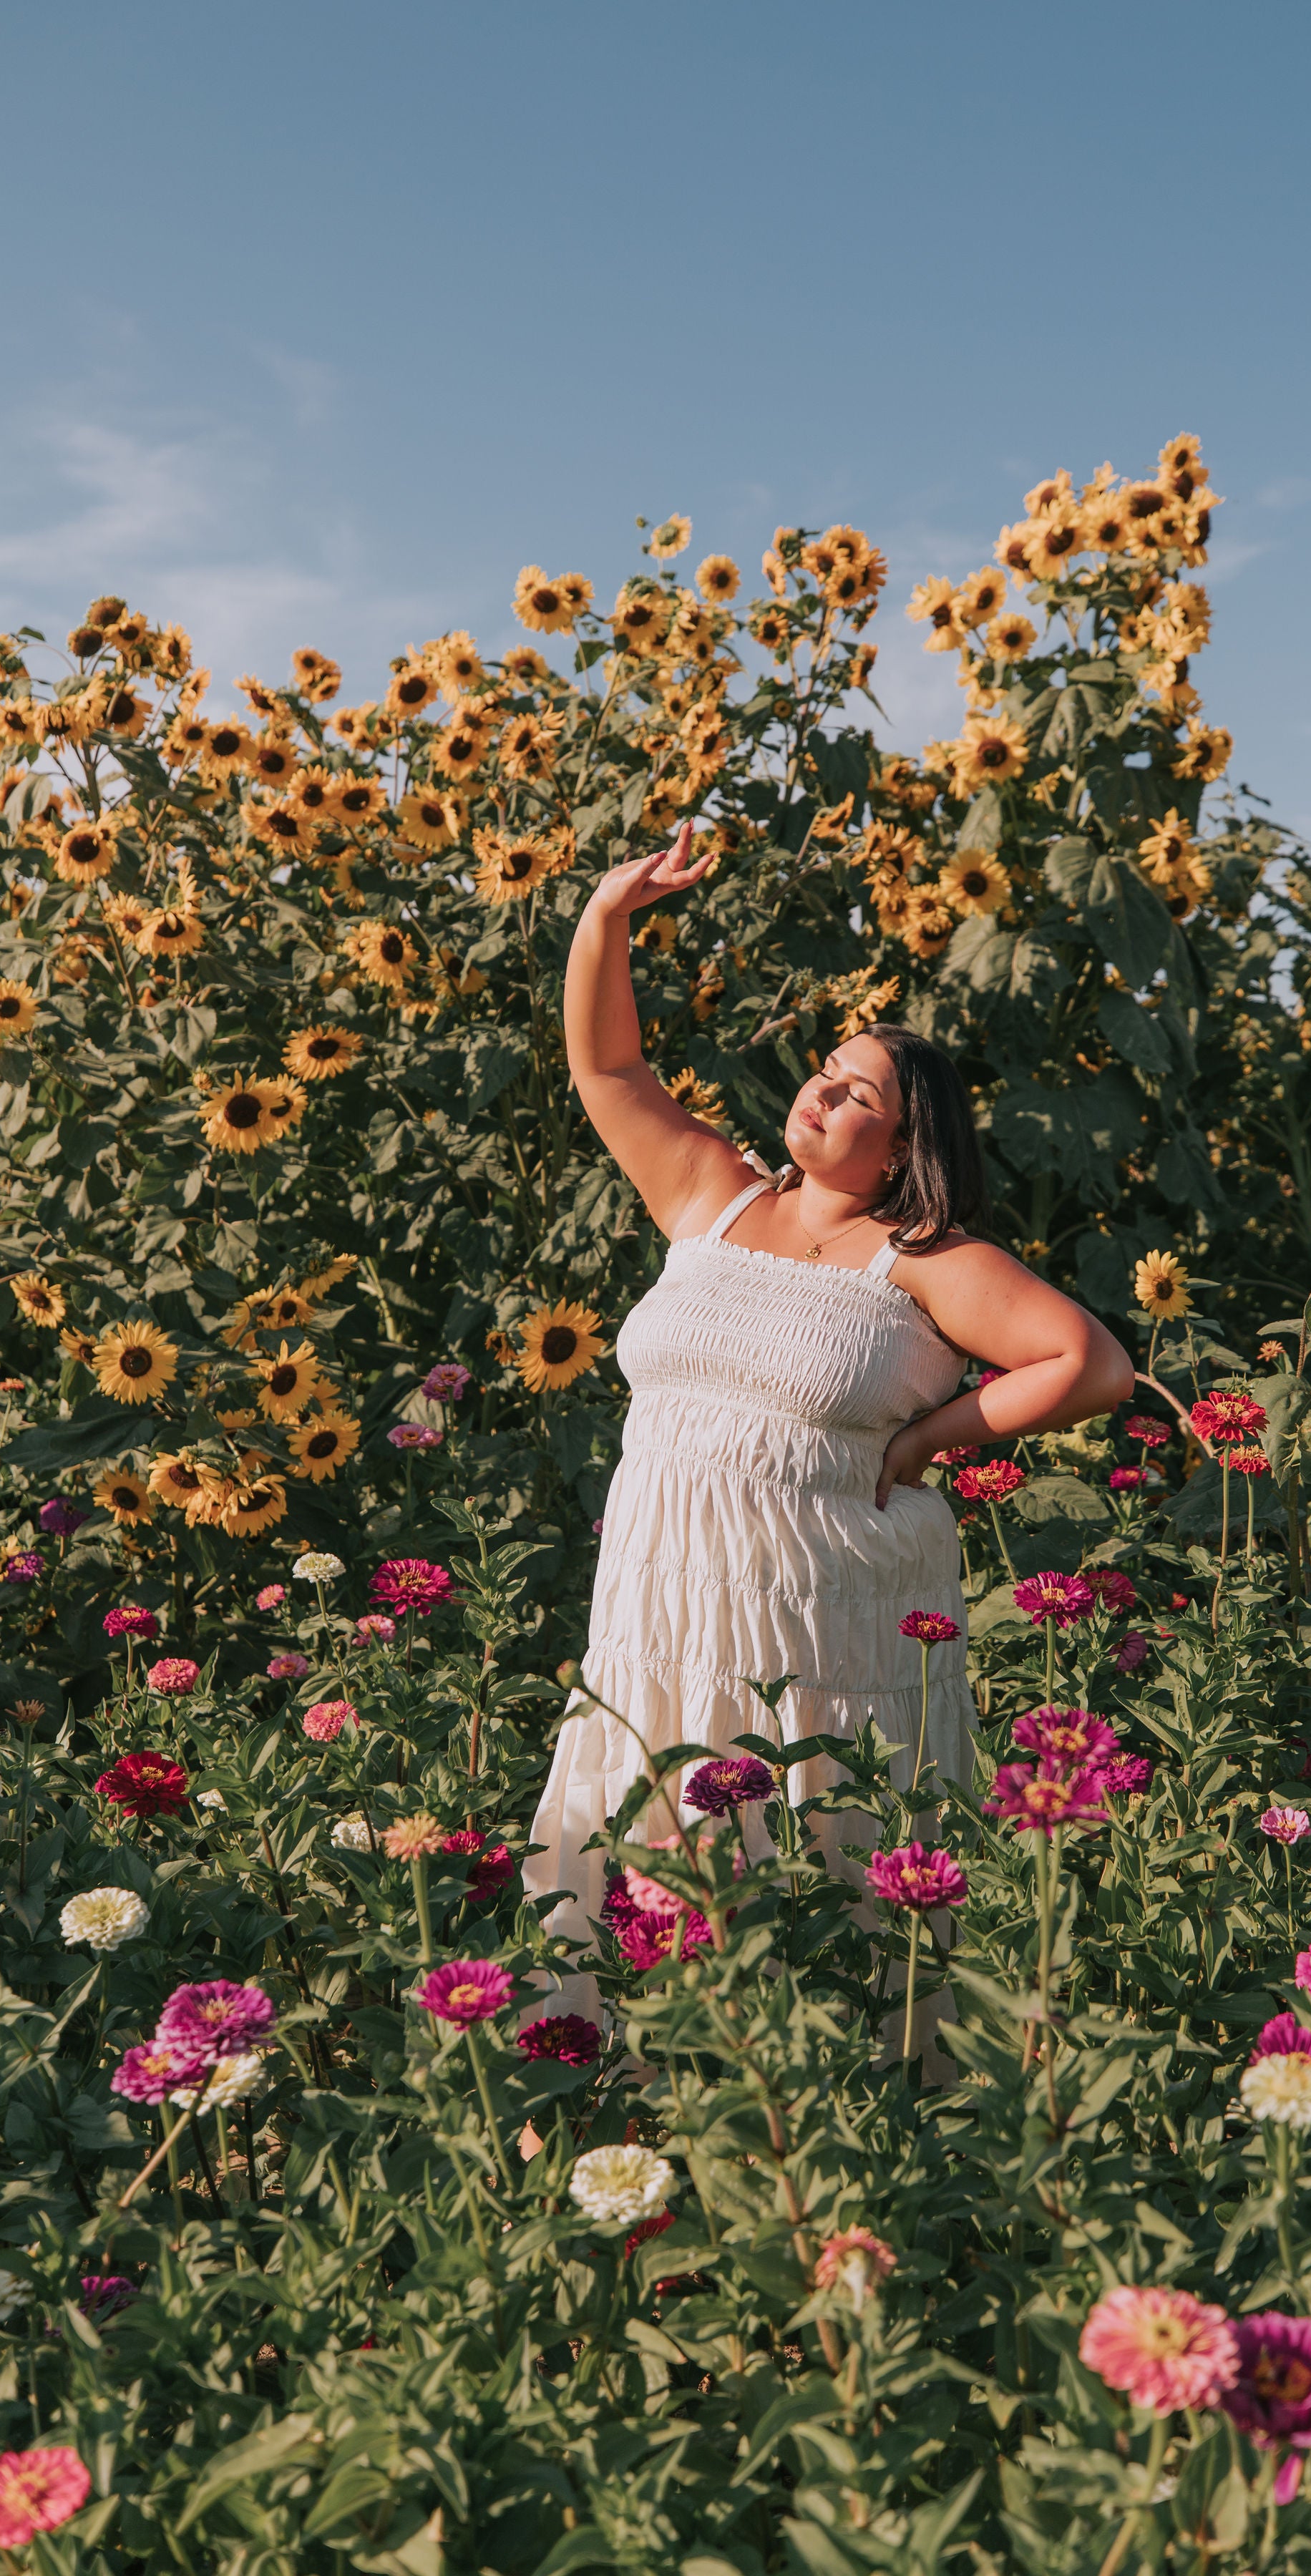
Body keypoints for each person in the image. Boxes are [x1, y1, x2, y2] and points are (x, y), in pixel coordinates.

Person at [524, 819, 1134, 1966]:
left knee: (798, 1862)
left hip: (806, 1616)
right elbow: (605, 1068)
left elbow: (1088, 1363)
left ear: (904, 1147)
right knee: (640, 1855)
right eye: (826, 1072)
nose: (820, 1092)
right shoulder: (714, 1193)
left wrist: (928, 1443)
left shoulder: (926, 1260)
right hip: (659, 1604)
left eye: (858, 1095)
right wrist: (606, 916)